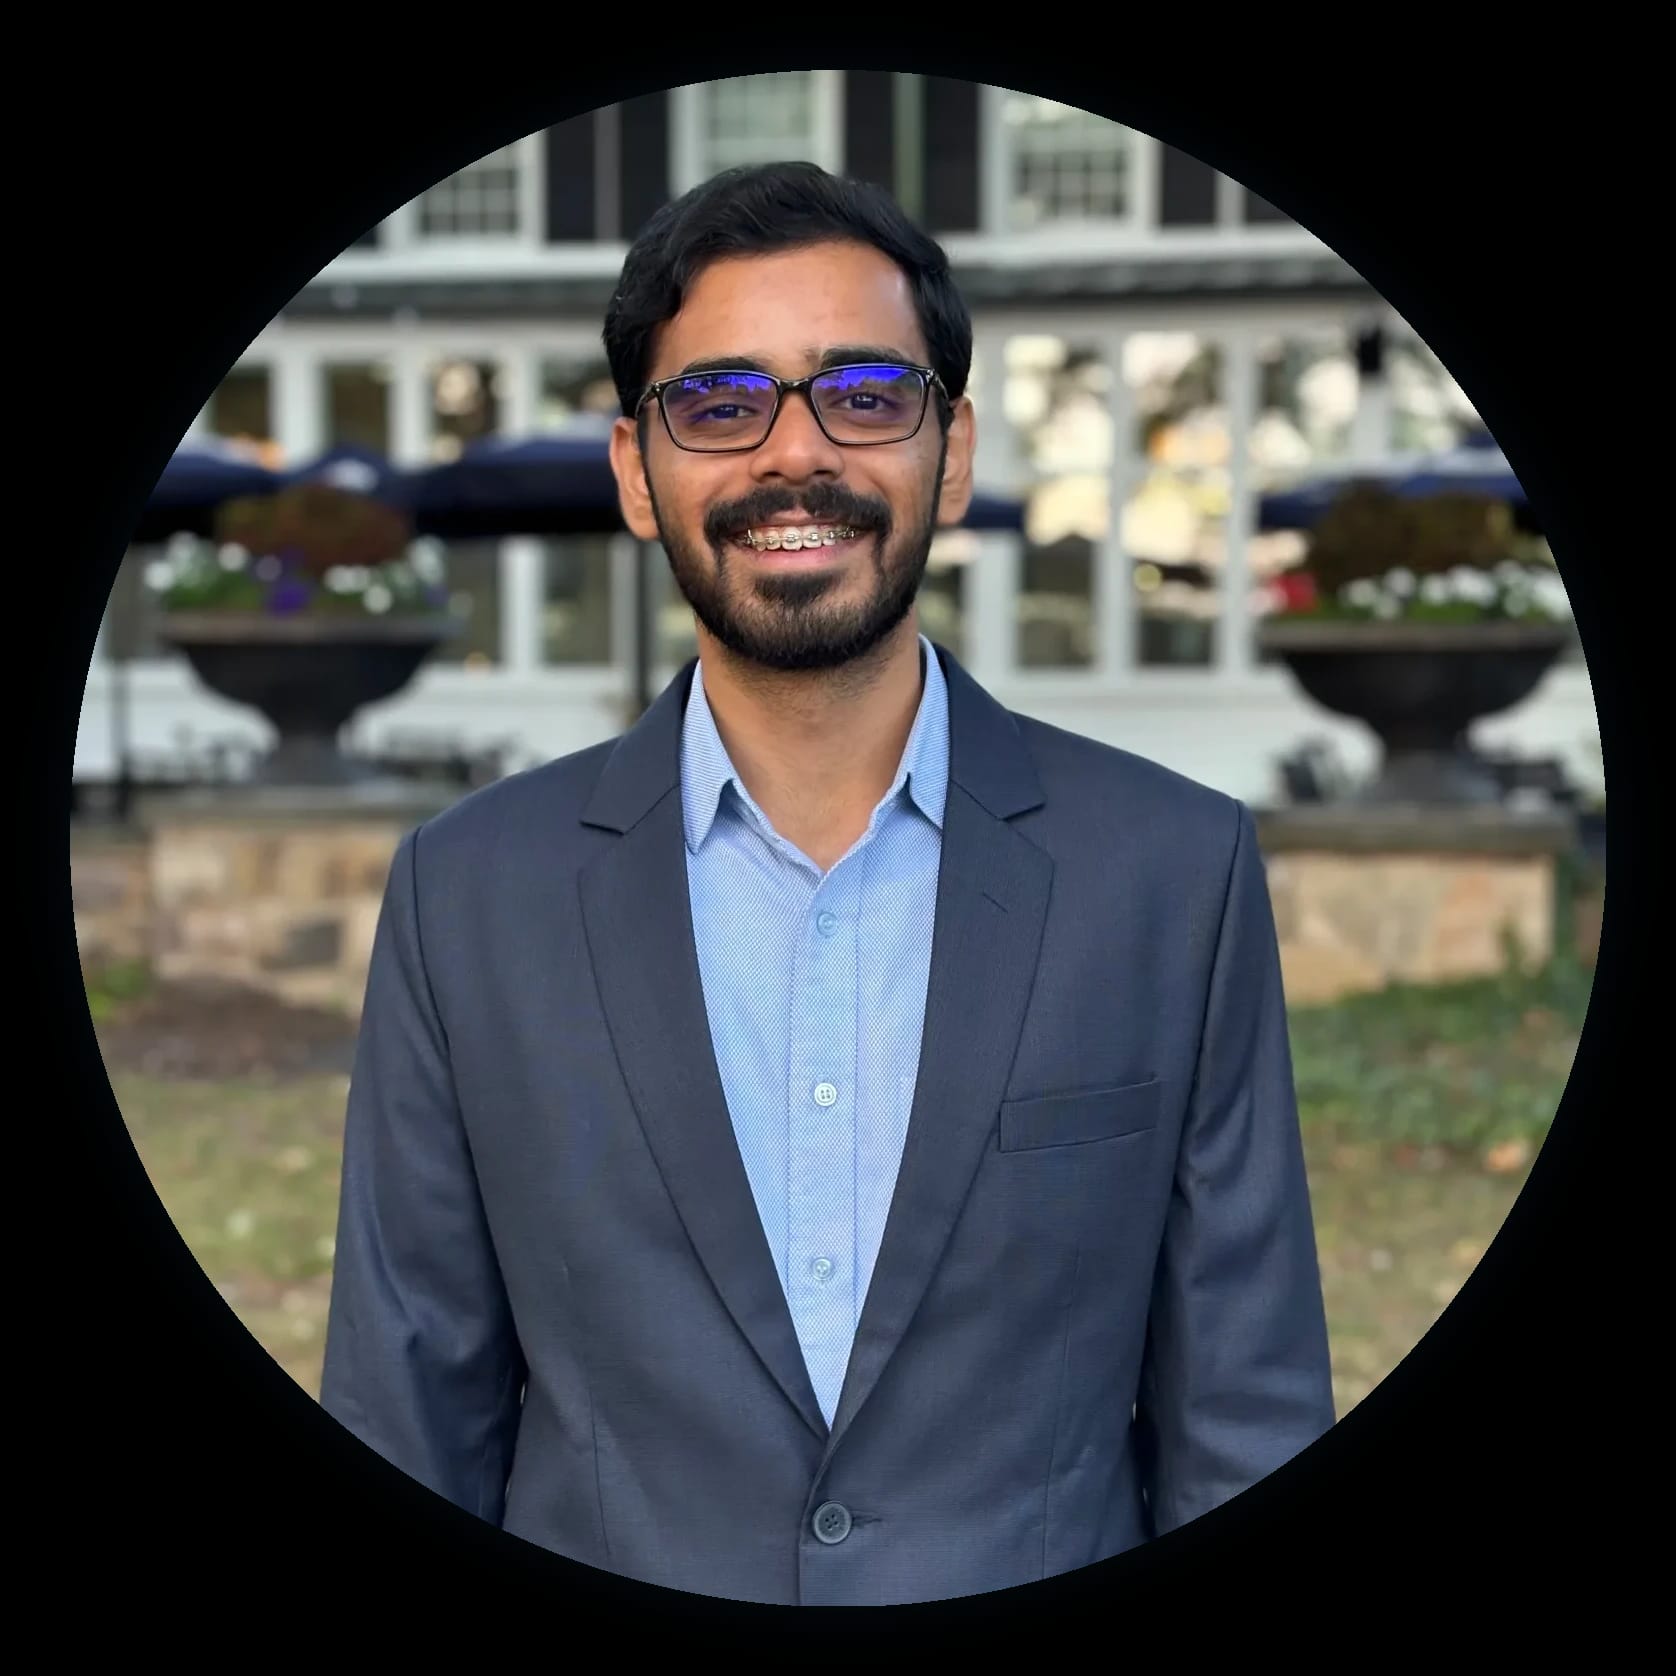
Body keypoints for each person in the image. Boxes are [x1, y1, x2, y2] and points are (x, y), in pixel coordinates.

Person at [319, 160, 1336, 1607]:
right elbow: (408, 1413)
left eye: (863, 393)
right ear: (635, 469)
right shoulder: (464, 897)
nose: (796, 458)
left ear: (953, 449)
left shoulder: (1174, 872)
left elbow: (1247, 1420)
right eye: (721, 404)